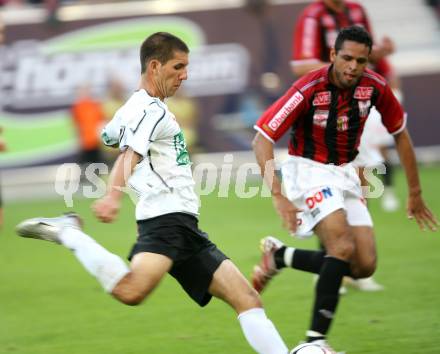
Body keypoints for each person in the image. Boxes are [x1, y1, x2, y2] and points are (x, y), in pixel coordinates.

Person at [16, 32, 289, 354]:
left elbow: (110, 135)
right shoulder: (152, 110)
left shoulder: (135, 107)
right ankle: (69, 232)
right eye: (179, 66)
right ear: (155, 65)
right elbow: (128, 153)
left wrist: (137, 190)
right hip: (168, 220)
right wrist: (112, 196)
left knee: (247, 300)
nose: (185, 75)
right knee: (131, 291)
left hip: (181, 225)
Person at [251, 26, 438, 351]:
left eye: (361, 61)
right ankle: (314, 343)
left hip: (345, 173)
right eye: (347, 58)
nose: (353, 66)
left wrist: (415, 193)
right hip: (307, 170)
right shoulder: (308, 87)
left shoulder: (375, 86)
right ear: (333, 55)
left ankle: (281, 257)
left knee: (364, 264)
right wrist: (278, 195)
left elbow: (401, 134)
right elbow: (262, 138)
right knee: (340, 245)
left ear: (368, 62)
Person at [291, 0, 401, 213]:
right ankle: (335, 233)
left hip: (361, 98)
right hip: (327, 104)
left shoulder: (357, 10)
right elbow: (300, 65)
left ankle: (361, 227)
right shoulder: (313, 16)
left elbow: (366, 53)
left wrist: (382, 53)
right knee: (332, 170)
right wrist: (344, 67)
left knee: (361, 165)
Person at [71, 84, 105, 167]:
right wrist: (78, 140)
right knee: (84, 167)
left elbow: (101, 123)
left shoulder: (95, 105)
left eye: (86, 91)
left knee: (98, 165)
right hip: (85, 143)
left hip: (96, 142)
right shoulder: (77, 107)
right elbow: (76, 125)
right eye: (82, 91)